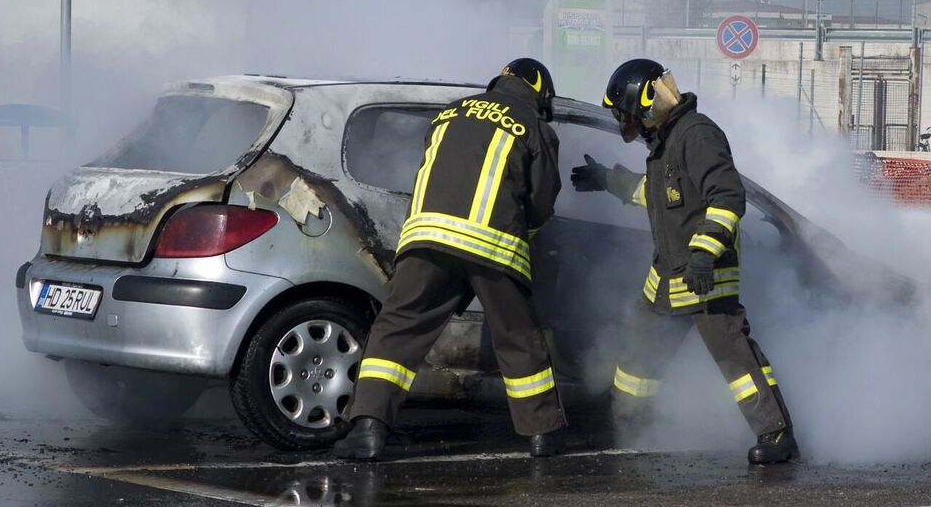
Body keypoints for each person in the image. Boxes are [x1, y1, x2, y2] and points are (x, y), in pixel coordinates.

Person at [333, 58, 567, 460]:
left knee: (397, 329)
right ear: (540, 93)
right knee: (517, 337)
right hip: (492, 244)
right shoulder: (534, 126)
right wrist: (526, 235)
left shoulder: (449, 113)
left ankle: (368, 429)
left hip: (427, 238)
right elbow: (542, 200)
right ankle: (543, 434)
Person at [570, 58, 798, 464]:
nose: (626, 124)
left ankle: (777, 435)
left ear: (646, 103)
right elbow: (657, 195)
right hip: (666, 278)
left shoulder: (697, 135)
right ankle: (625, 423)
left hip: (705, 278)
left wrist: (703, 255)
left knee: (735, 359)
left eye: (626, 114)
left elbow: (727, 197)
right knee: (639, 356)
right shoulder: (664, 142)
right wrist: (608, 179)